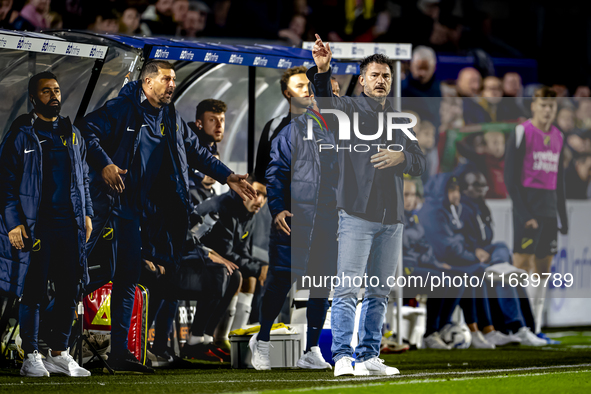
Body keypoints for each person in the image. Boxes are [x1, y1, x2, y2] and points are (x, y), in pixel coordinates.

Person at [79, 60, 255, 373]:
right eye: (166, 78)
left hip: (139, 214)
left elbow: (196, 152)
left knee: (128, 279)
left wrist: (228, 176)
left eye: (174, 79)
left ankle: (120, 353)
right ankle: (50, 343)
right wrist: (104, 164)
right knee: (82, 276)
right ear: (147, 82)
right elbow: (85, 132)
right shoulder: (122, 108)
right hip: (109, 207)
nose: (172, 84)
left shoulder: (170, 116)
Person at [311, 35, 426, 376]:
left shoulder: (401, 119)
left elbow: (420, 162)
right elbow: (323, 100)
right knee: (347, 288)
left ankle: (368, 356)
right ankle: (343, 356)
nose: (381, 80)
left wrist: (402, 156)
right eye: (374, 75)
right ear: (361, 80)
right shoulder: (346, 109)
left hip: (392, 218)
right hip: (356, 215)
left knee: (379, 291)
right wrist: (322, 70)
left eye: (386, 76)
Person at [0, 72, 92, 377]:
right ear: (33, 98)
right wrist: (14, 223)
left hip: (71, 227)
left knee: (69, 291)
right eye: (46, 91)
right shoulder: (21, 134)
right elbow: (5, 183)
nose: (54, 95)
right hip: (37, 227)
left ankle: (59, 353)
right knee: (34, 291)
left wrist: (88, 214)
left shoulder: (72, 133)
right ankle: (31, 355)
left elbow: (84, 179)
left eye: (56, 90)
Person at [249, 89, 338, 371]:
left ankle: (311, 350)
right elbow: (275, 173)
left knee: (321, 286)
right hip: (296, 218)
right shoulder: (291, 132)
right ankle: (261, 341)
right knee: (281, 281)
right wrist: (277, 209)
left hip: (328, 221)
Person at [418, 173, 521, 349]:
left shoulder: (451, 209)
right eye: (451, 190)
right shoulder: (433, 212)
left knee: (485, 264)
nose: (456, 194)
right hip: (439, 262)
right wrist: (472, 255)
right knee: (474, 272)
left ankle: (484, 328)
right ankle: (466, 329)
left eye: (457, 190)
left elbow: (464, 240)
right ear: (441, 191)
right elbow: (446, 247)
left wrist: (472, 251)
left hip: (451, 260)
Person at [504, 87, 568, 339]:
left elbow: (559, 178)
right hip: (527, 207)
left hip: (549, 210)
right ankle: (517, 325)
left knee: (543, 271)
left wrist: (562, 215)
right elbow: (510, 177)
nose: (547, 110)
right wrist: (523, 213)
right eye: (543, 105)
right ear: (534, 106)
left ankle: (536, 327)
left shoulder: (558, 136)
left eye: (551, 106)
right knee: (520, 267)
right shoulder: (522, 132)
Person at [458, 168, 546, 346]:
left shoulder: (482, 207)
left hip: (486, 255)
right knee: (507, 276)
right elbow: (453, 239)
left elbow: (488, 238)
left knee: (502, 250)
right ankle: (518, 327)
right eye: (476, 184)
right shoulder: (460, 208)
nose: (482, 188)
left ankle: (500, 267)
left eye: (483, 184)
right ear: (464, 188)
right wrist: (473, 251)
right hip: (469, 256)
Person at [402, 179, 464, 350]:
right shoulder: (392, 219)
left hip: (418, 267)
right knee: (438, 280)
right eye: (406, 194)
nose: (410, 199)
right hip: (403, 272)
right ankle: (430, 333)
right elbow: (404, 253)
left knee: (458, 278)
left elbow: (424, 247)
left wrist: (437, 264)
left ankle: (443, 327)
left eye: (413, 194)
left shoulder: (413, 218)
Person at [254, 66, 310, 183]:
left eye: (309, 85)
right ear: (287, 93)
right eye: (300, 86)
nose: (306, 90)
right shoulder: (274, 125)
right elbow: (261, 168)